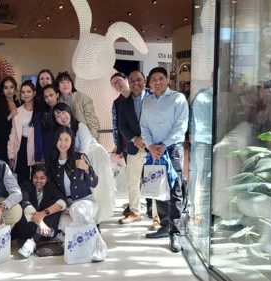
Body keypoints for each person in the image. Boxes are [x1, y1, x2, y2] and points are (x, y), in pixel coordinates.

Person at [140, 67, 188, 253]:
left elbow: (181, 125)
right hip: (154, 150)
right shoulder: (147, 101)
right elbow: (143, 126)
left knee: (174, 189)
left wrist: (164, 145)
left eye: (161, 78)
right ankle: (164, 225)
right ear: (149, 83)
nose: (157, 82)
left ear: (167, 80)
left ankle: (175, 233)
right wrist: (150, 146)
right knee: (157, 187)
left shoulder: (178, 98)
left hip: (172, 148)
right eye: (153, 80)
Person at [52, 103, 116, 223]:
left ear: (69, 112)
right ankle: (89, 218)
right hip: (78, 159)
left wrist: (79, 163)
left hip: (94, 156)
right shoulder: (60, 132)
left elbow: (84, 148)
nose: (62, 117)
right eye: (57, 116)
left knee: (99, 188)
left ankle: (97, 219)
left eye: (63, 112)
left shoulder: (80, 126)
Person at [47, 127, 98, 232]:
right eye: (60, 139)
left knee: (78, 211)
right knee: (64, 223)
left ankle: (95, 243)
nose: (63, 143)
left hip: (85, 200)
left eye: (66, 139)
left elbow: (94, 183)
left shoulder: (80, 157)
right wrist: (63, 205)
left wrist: (87, 169)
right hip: (66, 204)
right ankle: (81, 244)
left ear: (72, 141)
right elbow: (53, 189)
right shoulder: (53, 163)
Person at [115, 70, 149, 224]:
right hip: (134, 147)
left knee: (153, 180)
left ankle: (156, 215)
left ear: (145, 80)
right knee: (132, 181)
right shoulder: (123, 102)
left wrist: (147, 139)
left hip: (152, 147)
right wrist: (135, 139)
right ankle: (135, 212)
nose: (136, 83)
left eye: (139, 80)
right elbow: (121, 126)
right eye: (132, 80)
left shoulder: (154, 98)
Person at [13, 164, 66, 257]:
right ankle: (47, 236)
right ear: (32, 177)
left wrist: (44, 213)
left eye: (42, 178)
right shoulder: (26, 185)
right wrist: (40, 223)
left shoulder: (51, 187)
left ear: (47, 178)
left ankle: (33, 241)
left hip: (44, 228)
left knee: (55, 209)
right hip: (29, 228)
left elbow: (62, 202)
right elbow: (25, 204)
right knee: (24, 208)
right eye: (35, 177)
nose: (38, 181)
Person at [7, 81, 43, 184]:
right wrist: (11, 154)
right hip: (22, 146)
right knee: (22, 178)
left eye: (28, 91)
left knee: (37, 177)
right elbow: (13, 135)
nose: (25, 94)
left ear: (34, 93)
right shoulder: (17, 111)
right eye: (23, 92)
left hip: (36, 146)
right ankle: (24, 198)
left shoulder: (40, 110)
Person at [55, 71, 101, 140]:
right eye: (62, 82)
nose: (65, 85)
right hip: (67, 140)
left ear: (72, 84)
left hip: (86, 139)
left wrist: (90, 141)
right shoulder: (57, 102)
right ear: (58, 86)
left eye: (68, 82)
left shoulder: (83, 98)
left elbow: (93, 122)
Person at [41, 84, 60, 162]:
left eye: (51, 95)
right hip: (47, 152)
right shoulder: (45, 113)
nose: (49, 98)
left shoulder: (64, 111)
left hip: (60, 151)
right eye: (46, 97)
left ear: (57, 95)